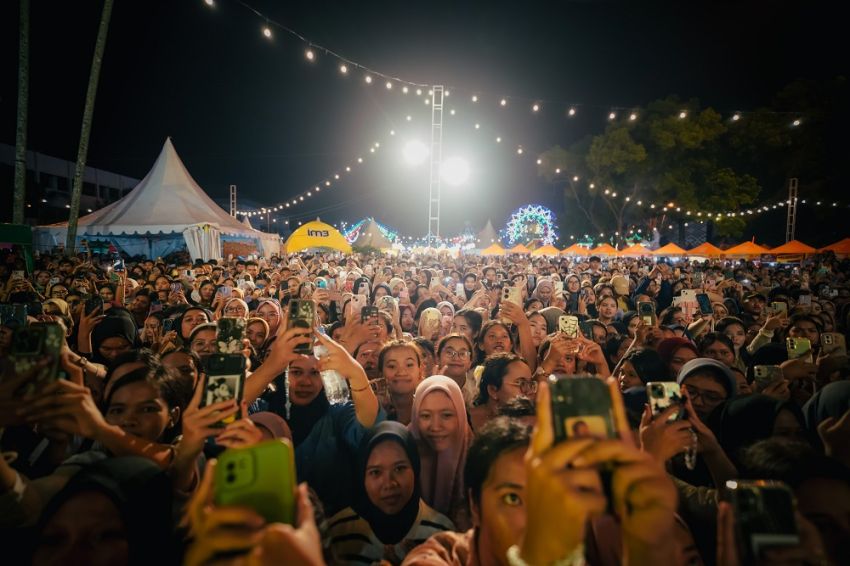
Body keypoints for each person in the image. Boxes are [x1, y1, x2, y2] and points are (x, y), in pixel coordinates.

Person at [325, 422, 454, 565]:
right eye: (376, 472)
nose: (389, 484)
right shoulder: (339, 532)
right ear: (362, 477)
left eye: (399, 469)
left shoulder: (441, 534)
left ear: (415, 468)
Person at [408, 376, 473, 529]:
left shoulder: (479, 459)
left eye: (446, 415)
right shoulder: (400, 453)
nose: (436, 426)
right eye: (425, 416)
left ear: (461, 415)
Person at [469, 353, 535, 431]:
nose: (528, 391)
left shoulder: (532, 421)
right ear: (493, 390)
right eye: (519, 383)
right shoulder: (465, 421)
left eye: (530, 384)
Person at [378, 341, 423, 424]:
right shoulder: (373, 412)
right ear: (381, 373)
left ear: (420, 372)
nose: (401, 372)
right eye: (392, 366)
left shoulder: (428, 408)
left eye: (409, 365)